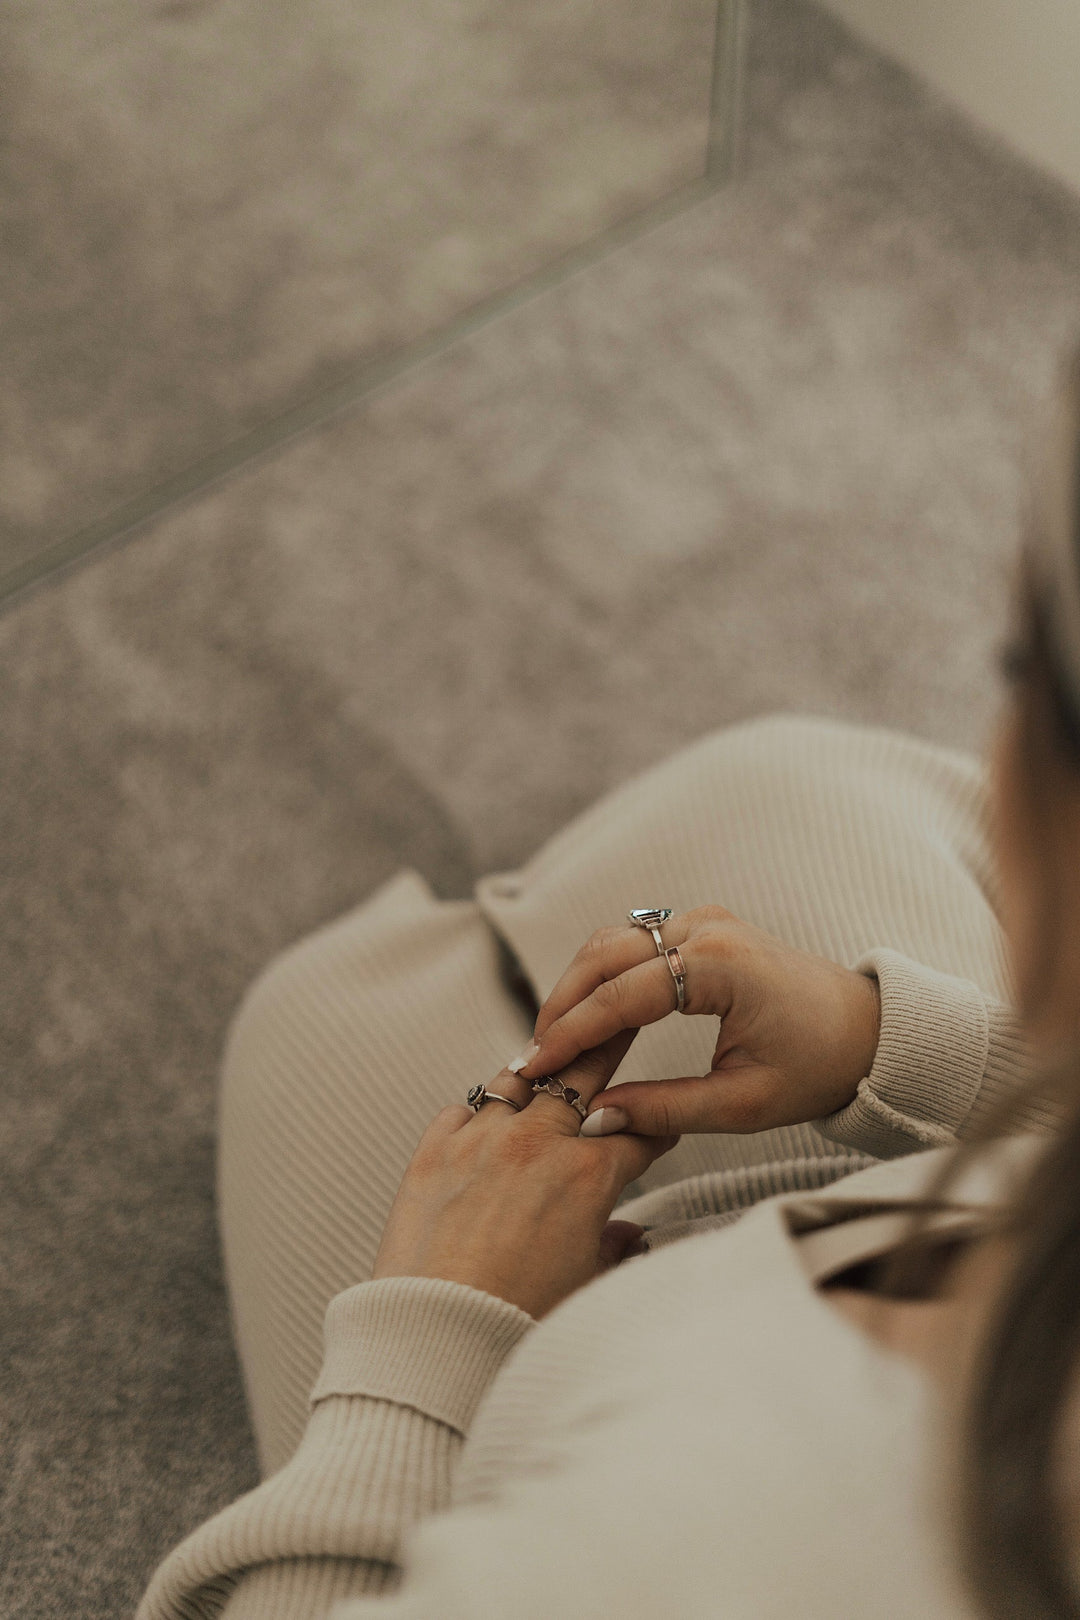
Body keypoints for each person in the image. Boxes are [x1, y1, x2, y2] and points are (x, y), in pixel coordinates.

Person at [137, 349, 1080, 1620]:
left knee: (318, 1016)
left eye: (1016, 667)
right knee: (786, 781)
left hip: (584, 1394)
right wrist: (880, 1041)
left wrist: (434, 1327)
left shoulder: (685, 1547)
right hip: (867, 1213)